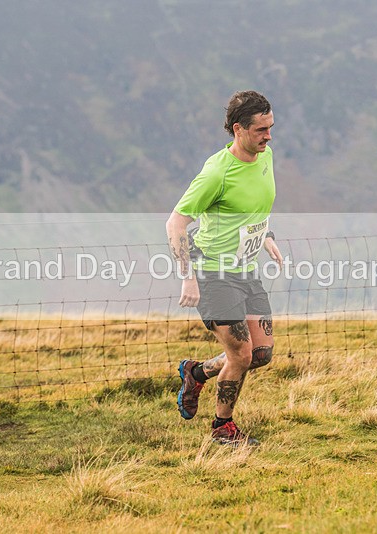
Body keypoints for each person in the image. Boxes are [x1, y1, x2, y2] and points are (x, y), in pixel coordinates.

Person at [166, 90, 283, 446]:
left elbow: (253, 206)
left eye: (271, 127)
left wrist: (266, 236)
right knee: (241, 354)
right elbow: (176, 223)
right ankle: (222, 428)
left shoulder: (266, 156)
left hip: (245, 269)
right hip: (212, 273)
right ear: (238, 129)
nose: (268, 136)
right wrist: (188, 277)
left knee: (260, 354)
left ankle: (196, 372)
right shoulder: (216, 173)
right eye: (261, 130)